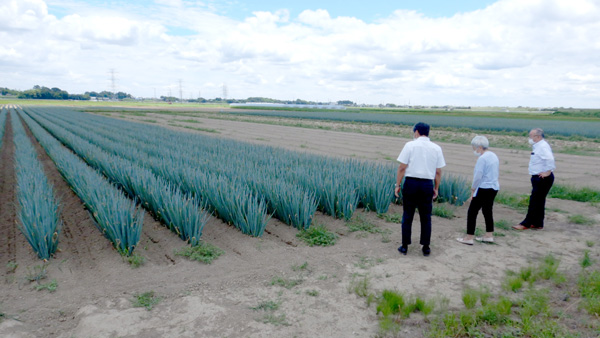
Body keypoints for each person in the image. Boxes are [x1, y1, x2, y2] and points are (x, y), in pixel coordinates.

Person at [395, 122, 446, 256]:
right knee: (426, 216)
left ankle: (405, 246)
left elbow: (402, 167)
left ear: (416, 132)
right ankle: (426, 247)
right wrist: (436, 188)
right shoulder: (436, 148)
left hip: (411, 183)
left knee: (407, 215)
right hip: (426, 185)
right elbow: (438, 171)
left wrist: (398, 185)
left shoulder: (410, 145)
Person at [457, 136, 499, 245]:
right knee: (487, 210)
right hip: (494, 187)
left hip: (483, 188)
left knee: (472, 211)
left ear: (479, 147)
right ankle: (489, 235)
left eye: (474, 148)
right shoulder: (493, 156)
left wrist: (473, 188)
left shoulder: (482, 158)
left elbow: (478, 176)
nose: (474, 150)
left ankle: (469, 237)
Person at [512, 128, 555, 230]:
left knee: (534, 201)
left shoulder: (542, 146)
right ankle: (537, 223)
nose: (530, 138)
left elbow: (550, 159)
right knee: (539, 201)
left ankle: (526, 223)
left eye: (531, 136)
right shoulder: (538, 146)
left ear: (538, 136)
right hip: (538, 177)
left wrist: (548, 172)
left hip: (542, 178)